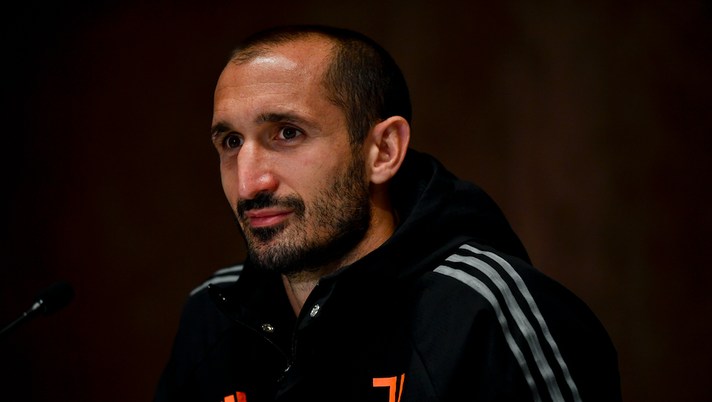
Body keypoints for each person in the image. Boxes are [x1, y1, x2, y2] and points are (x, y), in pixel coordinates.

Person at [155, 26, 621, 402]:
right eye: (231, 142)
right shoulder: (211, 315)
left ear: (383, 151)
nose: (249, 183)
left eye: (288, 133)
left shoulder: (484, 313)